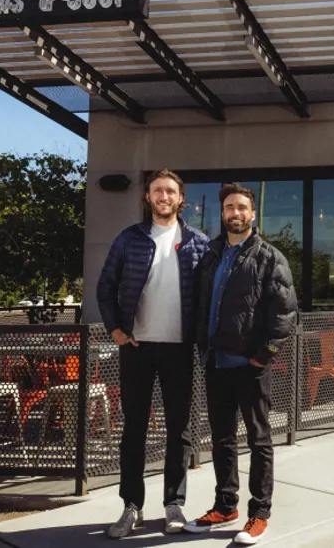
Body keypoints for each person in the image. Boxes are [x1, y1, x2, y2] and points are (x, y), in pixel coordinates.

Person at [96, 169, 210, 539]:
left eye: (170, 191)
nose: (164, 196)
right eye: (157, 191)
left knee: (180, 430)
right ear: (147, 197)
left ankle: (174, 504)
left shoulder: (198, 242)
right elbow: (105, 286)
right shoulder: (129, 239)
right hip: (137, 347)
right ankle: (132, 506)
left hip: (179, 348)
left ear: (181, 199)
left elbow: (209, 297)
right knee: (134, 430)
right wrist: (114, 328)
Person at [186, 183, 297, 545]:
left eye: (242, 207)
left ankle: (259, 513)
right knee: (221, 438)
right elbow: (202, 304)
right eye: (229, 207)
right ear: (223, 214)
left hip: (250, 366)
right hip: (216, 361)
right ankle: (225, 505)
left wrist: (263, 354)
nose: (235, 213)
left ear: (253, 214)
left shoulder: (270, 257)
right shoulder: (212, 254)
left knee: (259, 439)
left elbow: (285, 314)